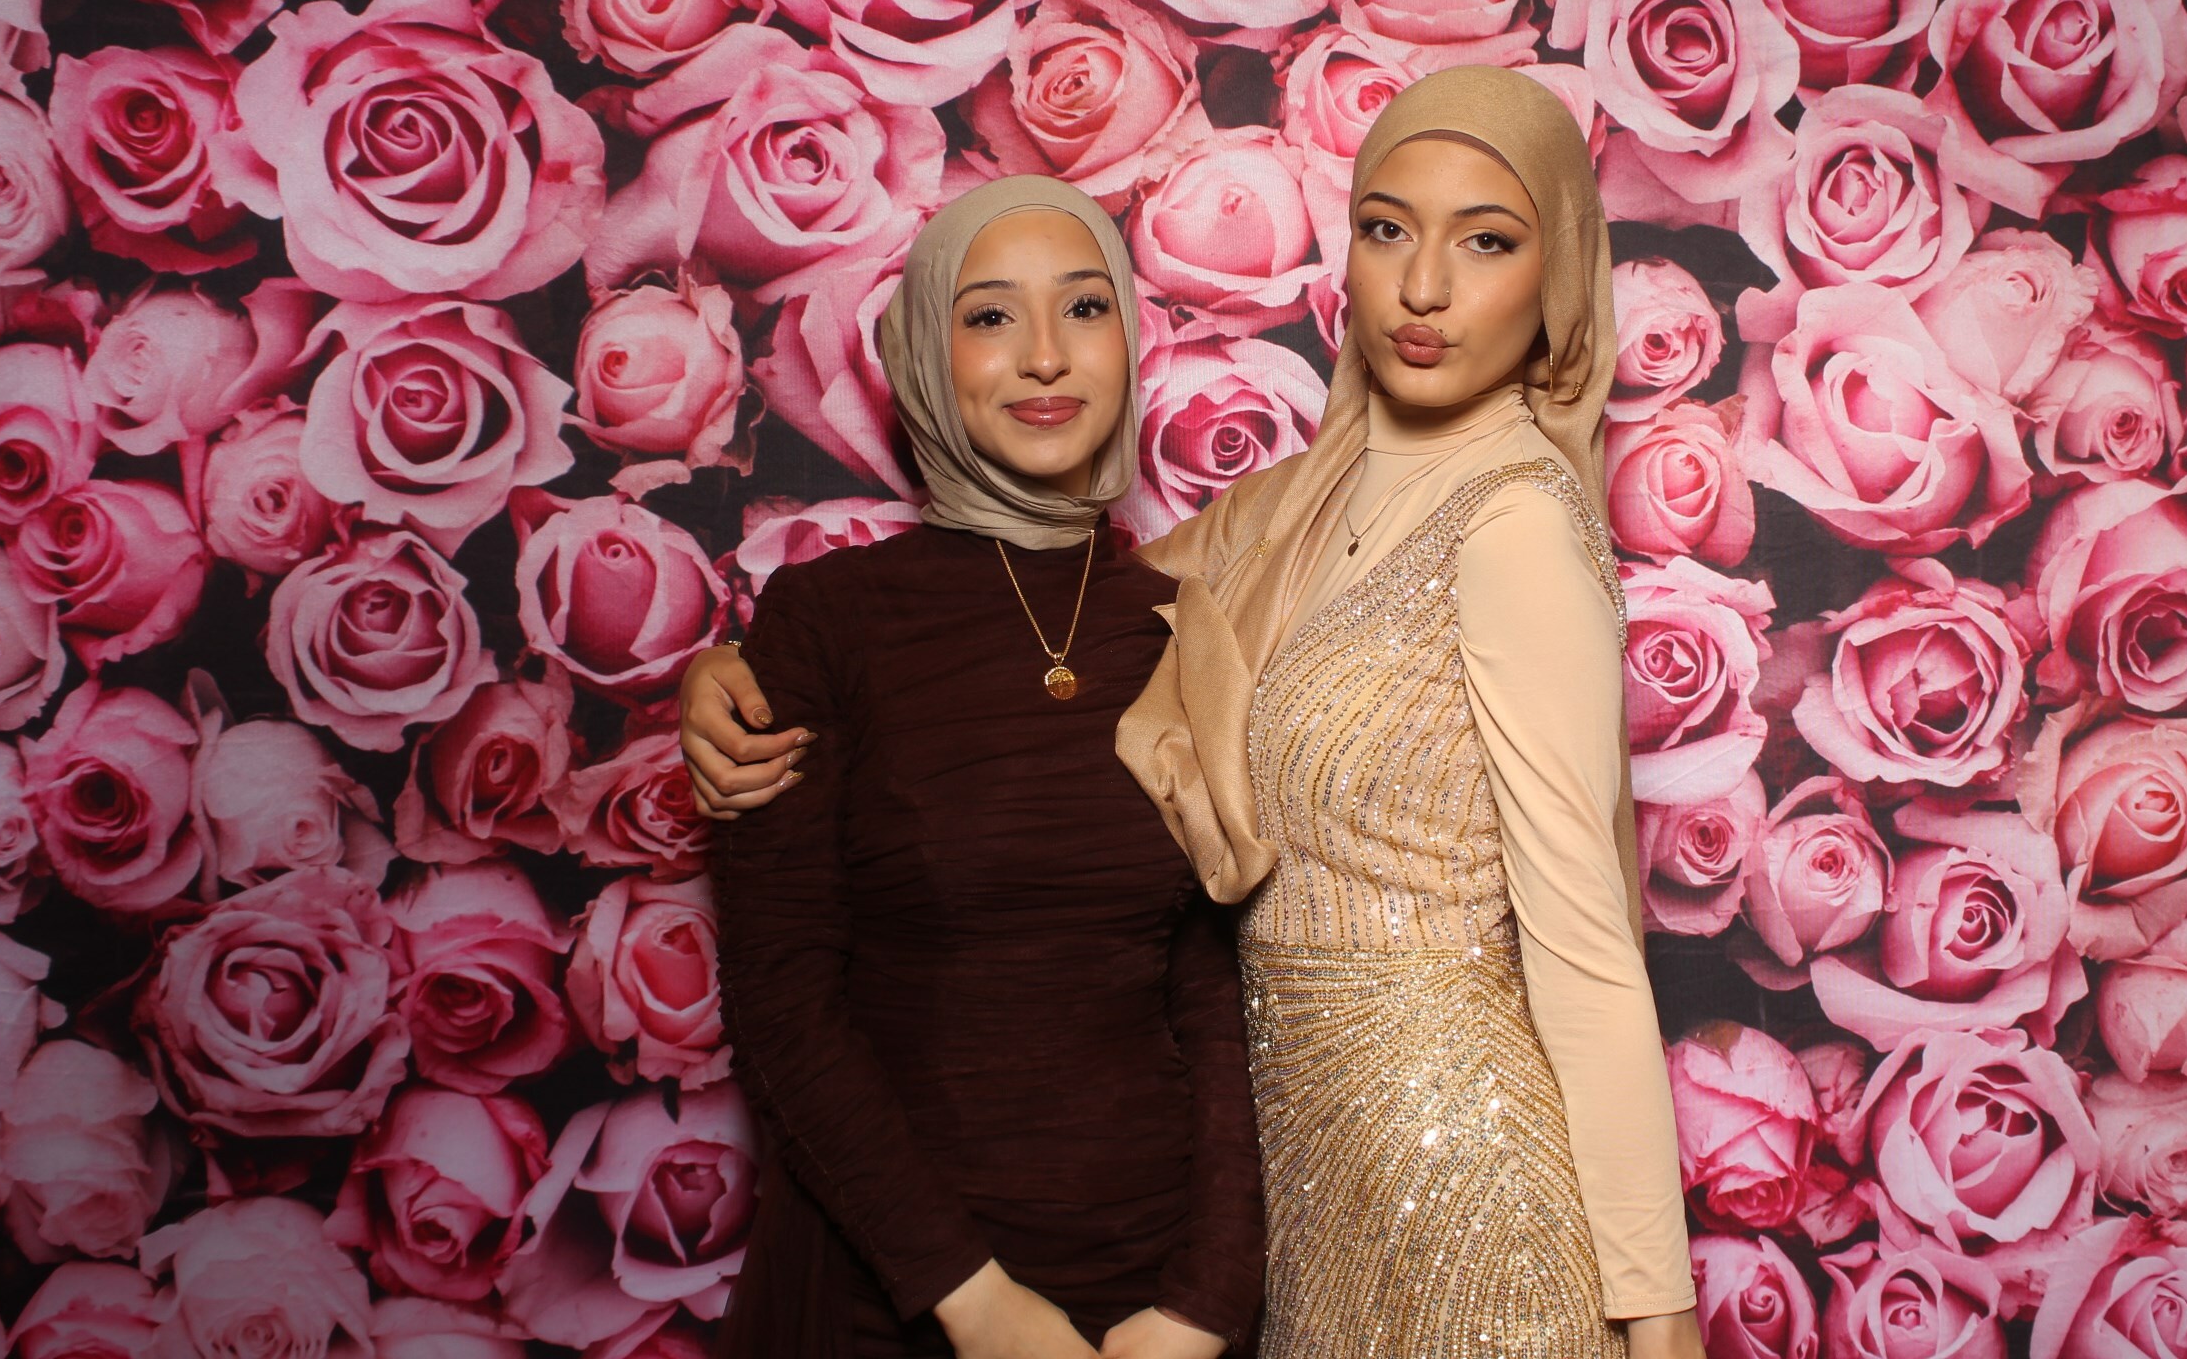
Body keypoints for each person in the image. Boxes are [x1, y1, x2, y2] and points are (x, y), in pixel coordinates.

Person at [688, 70, 1701, 1357]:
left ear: (1557, 277)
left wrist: (1661, 1318)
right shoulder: (1284, 514)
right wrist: (729, 670)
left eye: (1488, 241)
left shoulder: (1512, 527)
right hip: (1300, 1207)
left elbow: (1581, 947)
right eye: (1387, 229)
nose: (1425, 286)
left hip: (1451, 1180)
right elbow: (1057, 607)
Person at [707, 177, 1262, 1359]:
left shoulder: (1180, 620)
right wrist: (972, 1300)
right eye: (992, 316)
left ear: (1132, 340)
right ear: (924, 354)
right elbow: (781, 1001)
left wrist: (1207, 1302)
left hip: (1149, 1294)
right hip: (893, 1286)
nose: (1046, 357)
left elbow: (1211, 986)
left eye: (1085, 309)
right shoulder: (825, 621)